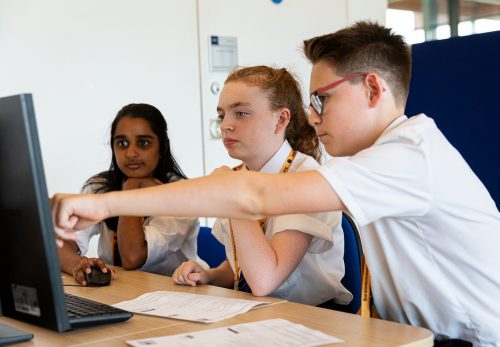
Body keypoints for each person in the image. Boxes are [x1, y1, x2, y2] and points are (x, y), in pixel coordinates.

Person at [52, 22, 500, 346]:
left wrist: (105, 205)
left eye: (321, 98)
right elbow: (245, 202)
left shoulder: (408, 156)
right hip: (410, 335)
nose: (314, 114)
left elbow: (249, 198)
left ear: (372, 89)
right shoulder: (374, 162)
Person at [172, 66, 352, 306]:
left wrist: (234, 194)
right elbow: (244, 265)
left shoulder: (306, 178)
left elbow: (264, 280)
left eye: (241, 113)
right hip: (255, 313)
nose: (225, 125)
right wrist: (211, 275)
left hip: (310, 317)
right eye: (222, 115)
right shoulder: (239, 176)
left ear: (281, 119)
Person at [57, 103, 202, 285]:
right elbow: (61, 244)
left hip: (176, 296)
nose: (131, 153)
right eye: (122, 143)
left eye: (143, 143)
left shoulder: (181, 195)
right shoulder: (99, 187)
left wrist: (130, 192)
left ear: (162, 146)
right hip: (121, 291)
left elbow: (132, 257)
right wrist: (79, 266)